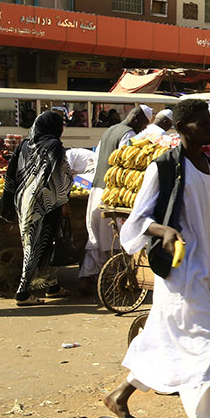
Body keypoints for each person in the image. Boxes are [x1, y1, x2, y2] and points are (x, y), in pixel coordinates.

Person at [95, 99, 210, 418]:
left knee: (164, 342)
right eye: (203, 123)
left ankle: (118, 397)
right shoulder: (165, 167)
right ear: (183, 128)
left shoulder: (208, 166)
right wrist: (164, 231)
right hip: (180, 275)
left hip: (204, 270)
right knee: (206, 345)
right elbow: (136, 221)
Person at [1, 111, 74, 306]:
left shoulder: (25, 145)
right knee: (34, 247)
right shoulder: (53, 146)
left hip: (25, 201)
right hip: (46, 203)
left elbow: (13, 171)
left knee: (46, 242)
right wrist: (64, 201)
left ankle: (52, 285)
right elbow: (59, 176)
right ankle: (23, 293)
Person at [80, 107, 151, 294]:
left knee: (95, 237)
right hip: (111, 193)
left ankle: (87, 276)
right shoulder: (128, 134)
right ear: (136, 119)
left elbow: (98, 159)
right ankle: (114, 279)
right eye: (143, 125)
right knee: (112, 238)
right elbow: (125, 164)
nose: (142, 129)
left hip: (96, 188)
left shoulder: (109, 130)